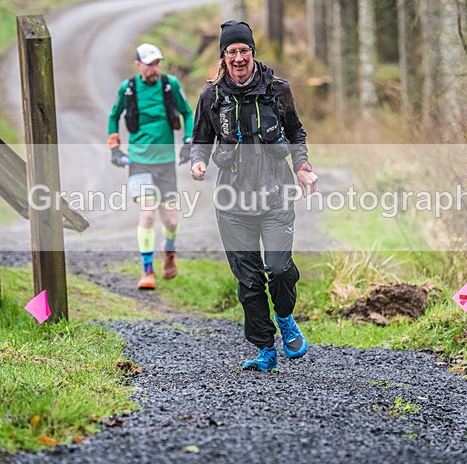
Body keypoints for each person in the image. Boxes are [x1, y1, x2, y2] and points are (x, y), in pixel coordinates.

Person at [189, 21, 318, 371]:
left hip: (276, 196)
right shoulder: (211, 98)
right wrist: (198, 163)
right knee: (248, 280)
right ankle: (265, 348)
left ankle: (286, 317)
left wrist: (303, 167)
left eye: (244, 50)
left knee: (277, 268)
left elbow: (295, 132)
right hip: (233, 204)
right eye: (232, 51)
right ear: (223, 57)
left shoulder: (278, 90)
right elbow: (199, 140)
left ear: (252, 53)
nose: (239, 57)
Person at [108, 43, 194, 289]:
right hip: (138, 161)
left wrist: (189, 140)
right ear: (138, 65)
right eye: (150, 64)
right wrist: (114, 145)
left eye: (158, 63)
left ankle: (169, 252)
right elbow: (113, 116)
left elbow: (187, 113)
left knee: (172, 222)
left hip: (165, 163)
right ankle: (147, 271)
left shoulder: (171, 85)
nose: (155, 69)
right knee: (147, 215)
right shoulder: (128, 89)